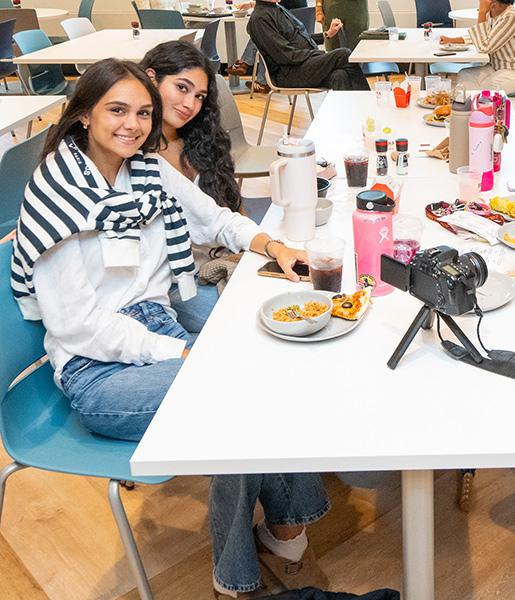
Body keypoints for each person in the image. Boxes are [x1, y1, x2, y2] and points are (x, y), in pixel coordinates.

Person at [9, 59, 329, 599]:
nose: (132, 124)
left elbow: (217, 219)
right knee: (234, 398)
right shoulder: (58, 194)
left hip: (154, 331)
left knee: (266, 373)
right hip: (96, 368)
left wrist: (276, 247)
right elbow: (80, 328)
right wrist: (177, 355)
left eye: (142, 112)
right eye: (116, 110)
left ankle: (283, 532)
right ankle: (243, 569)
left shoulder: (145, 171)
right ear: (84, 114)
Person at [140, 41, 242, 333]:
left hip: (220, 256)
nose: (190, 105)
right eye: (181, 88)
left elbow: (231, 206)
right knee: (243, 319)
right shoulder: (135, 153)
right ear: (150, 78)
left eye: (199, 96)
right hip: (177, 283)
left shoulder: (199, 139)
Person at [247, 0, 369, 91]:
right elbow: (286, 56)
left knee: (339, 76)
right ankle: (369, 106)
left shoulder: (277, 8)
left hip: (303, 64)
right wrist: (315, 55)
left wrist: (328, 34)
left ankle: (348, 121)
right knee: (343, 54)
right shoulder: (260, 19)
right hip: (289, 73)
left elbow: (302, 38)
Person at [439, 0, 515, 95]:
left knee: (482, 89)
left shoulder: (511, 16)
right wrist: (452, 40)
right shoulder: (494, 14)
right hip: (497, 67)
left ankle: (473, 107)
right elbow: (482, 37)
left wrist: (482, 13)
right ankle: (466, 106)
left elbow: (485, 47)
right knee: (465, 74)